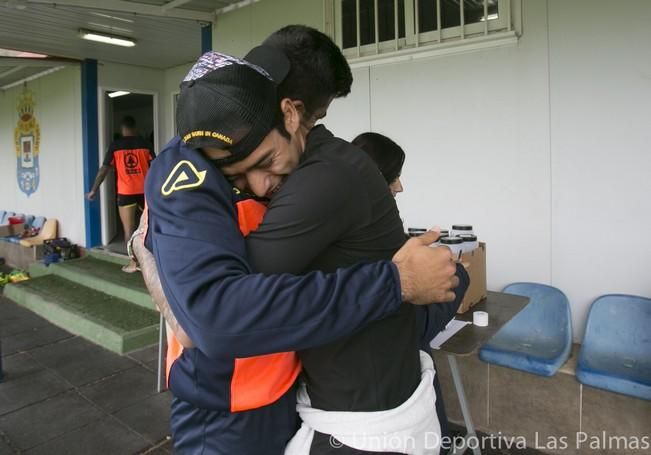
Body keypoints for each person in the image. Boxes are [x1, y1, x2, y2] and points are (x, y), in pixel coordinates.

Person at [134, 50, 462, 454]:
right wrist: (397, 282)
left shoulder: (303, 162)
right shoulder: (187, 169)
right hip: (226, 412)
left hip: (287, 394)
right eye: (239, 174)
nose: (258, 185)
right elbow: (205, 323)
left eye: (317, 116)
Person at [353, 131, 462, 449]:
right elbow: (416, 324)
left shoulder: (337, 227)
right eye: (394, 176)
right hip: (386, 396)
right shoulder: (376, 238)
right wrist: (458, 278)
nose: (400, 186)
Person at [86, 115, 155, 272]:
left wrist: (93, 190)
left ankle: (133, 263)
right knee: (150, 224)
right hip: (145, 191)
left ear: (122, 129)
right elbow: (156, 166)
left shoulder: (115, 146)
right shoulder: (145, 144)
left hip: (126, 192)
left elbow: (104, 170)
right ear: (134, 127)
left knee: (128, 229)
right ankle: (153, 259)